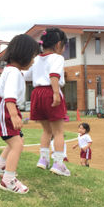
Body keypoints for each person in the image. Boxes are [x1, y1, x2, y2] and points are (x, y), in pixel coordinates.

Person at [0, 34, 39, 194]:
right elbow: (9, 95)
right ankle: (8, 180)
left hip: (3, 107)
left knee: (18, 139)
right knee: (17, 144)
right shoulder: (14, 72)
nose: (33, 61)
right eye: (32, 57)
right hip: (4, 107)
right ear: (23, 55)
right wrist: (14, 115)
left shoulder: (11, 70)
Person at [24, 27, 70, 176]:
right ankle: (58, 163)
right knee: (58, 132)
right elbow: (54, 75)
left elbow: (27, 76)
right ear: (58, 45)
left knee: (46, 130)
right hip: (50, 91)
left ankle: (43, 160)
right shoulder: (57, 58)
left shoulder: (36, 59)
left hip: (36, 94)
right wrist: (56, 93)